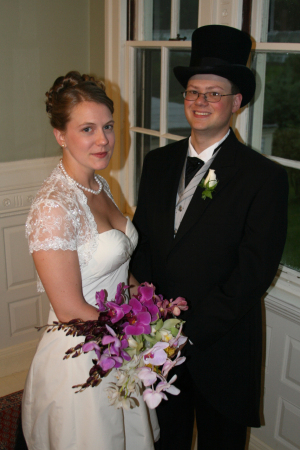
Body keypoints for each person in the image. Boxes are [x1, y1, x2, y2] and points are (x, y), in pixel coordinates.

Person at [130, 25, 289, 450]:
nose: (200, 102)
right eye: (193, 92)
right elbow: (143, 240)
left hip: (222, 344)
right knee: (168, 439)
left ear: (236, 102)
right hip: (159, 343)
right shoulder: (159, 163)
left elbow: (253, 272)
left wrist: (189, 332)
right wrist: (151, 317)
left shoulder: (263, 178)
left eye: (213, 93)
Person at [22, 71, 159, 450]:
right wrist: (138, 333)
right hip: (83, 355)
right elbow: (69, 309)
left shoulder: (101, 185)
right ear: (60, 135)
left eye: (108, 126)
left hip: (118, 341)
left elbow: (121, 267)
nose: (103, 140)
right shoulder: (53, 207)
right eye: (87, 129)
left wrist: (151, 310)